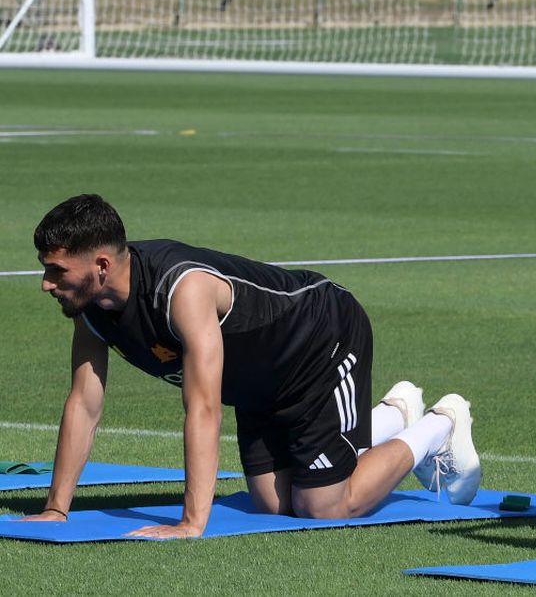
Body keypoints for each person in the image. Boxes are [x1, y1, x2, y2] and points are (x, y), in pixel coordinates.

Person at [24, 193, 481, 539]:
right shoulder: (90, 308)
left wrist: (191, 522)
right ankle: (393, 413)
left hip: (320, 343)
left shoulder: (183, 290)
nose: (46, 284)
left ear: (101, 265)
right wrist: (56, 509)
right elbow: (84, 404)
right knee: (271, 504)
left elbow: (203, 409)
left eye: (57, 271)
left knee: (323, 506)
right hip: (260, 385)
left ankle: (440, 425)